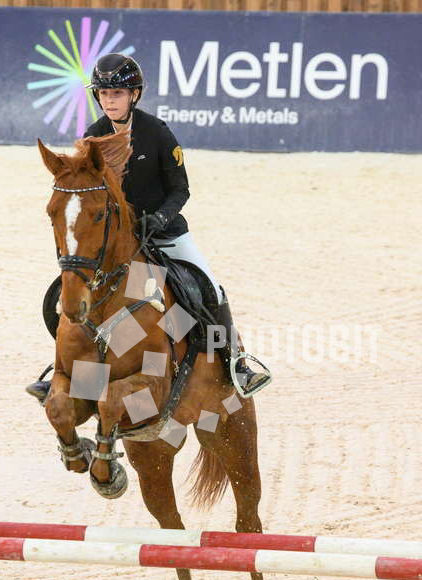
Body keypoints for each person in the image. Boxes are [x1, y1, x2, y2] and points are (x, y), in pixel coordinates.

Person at [26, 53, 270, 403]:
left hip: (164, 233)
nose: (110, 101)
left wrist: (158, 218)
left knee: (210, 288)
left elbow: (180, 190)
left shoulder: (157, 132)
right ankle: (62, 371)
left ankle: (236, 363)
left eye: (117, 94)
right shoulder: (93, 136)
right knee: (67, 293)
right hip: (117, 240)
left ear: (134, 95)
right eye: (104, 94)